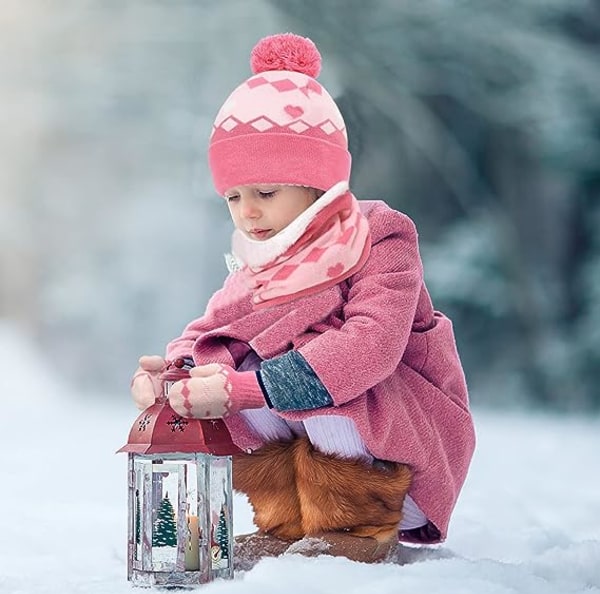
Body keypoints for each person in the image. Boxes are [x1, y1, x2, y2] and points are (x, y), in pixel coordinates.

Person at [131, 33, 476, 564]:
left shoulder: (378, 237)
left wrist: (246, 388)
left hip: (399, 433)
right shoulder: (258, 261)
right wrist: (174, 373)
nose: (247, 213)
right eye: (234, 197)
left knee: (314, 377)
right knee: (235, 361)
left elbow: (372, 344)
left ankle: (359, 527)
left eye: (265, 193)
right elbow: (209, 329)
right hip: (318, 429)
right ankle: (289, 523)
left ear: (316, 186)